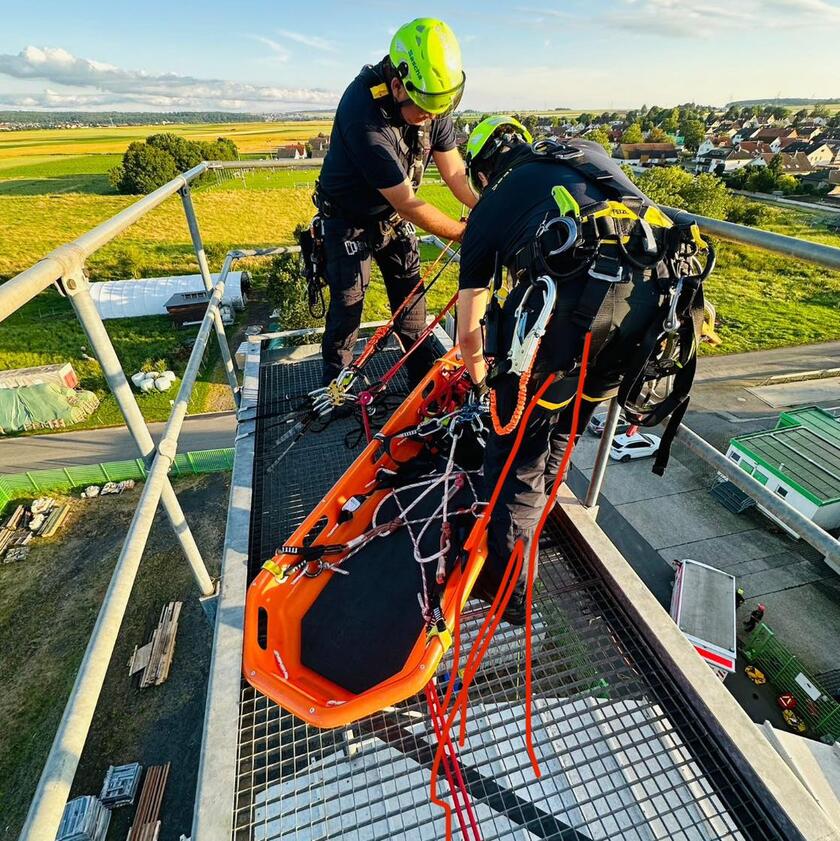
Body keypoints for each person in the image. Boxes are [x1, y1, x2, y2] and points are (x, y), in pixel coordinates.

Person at [456, 116, 708, 624]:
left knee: (515, 457)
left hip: (581, 317)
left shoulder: (492, 204)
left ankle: (508, 594)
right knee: (564, 419)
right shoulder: (582, 152)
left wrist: (484, 384)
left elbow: (469, 330)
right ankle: (540, 511)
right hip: (652, 310)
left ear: (483, 172)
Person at [315, 18, 477, 387]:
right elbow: (408, 203)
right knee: (348, 306)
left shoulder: (432, 96)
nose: (433, 118)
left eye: (441, 109)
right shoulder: (364, 116)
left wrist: (483, 212)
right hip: (347, 220)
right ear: (397, 86)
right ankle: (335, 386)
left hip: (390, 216)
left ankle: (422, 383)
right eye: (425, 110)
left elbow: (454, 173)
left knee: (412, 306)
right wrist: (468, 237)